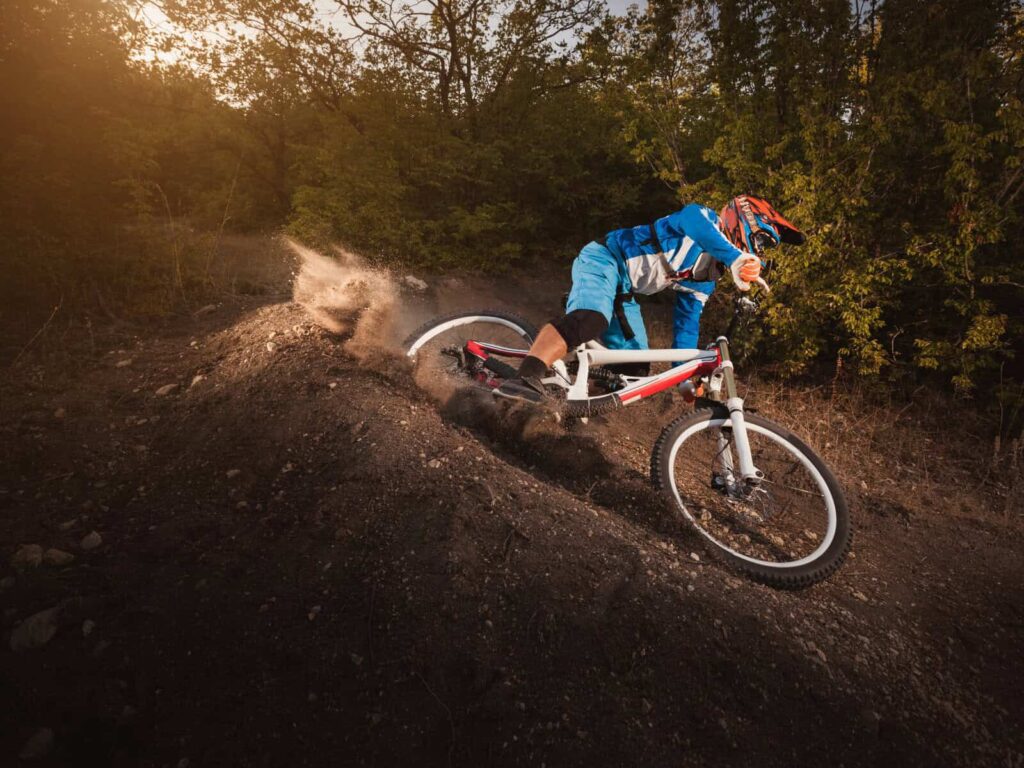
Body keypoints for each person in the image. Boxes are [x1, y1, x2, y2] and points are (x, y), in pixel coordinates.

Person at [494, 195, 806, 403]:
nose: (761, 251)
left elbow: (686, 328)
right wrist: (736, 258)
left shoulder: (707, 278)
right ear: (746, 216)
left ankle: (571, 411)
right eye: (763, 240)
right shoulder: (701, 219)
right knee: (590, 319)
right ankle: (524, 379)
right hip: (604, 259)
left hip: (625, 291)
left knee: (634, 371)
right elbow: (695, 227)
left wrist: (685, 376)